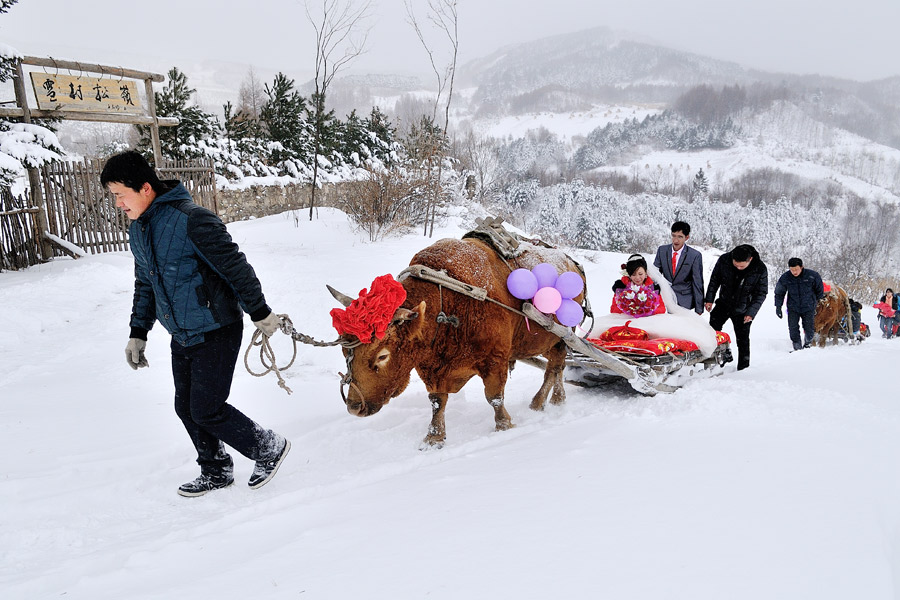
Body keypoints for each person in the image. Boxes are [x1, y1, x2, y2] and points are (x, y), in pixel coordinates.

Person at [101, 150, 290, 498]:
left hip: (217, 328)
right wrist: (137, 333)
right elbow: (146, 283)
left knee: (207, 408)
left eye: (119, 194)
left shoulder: (193, 220)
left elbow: (236, 269)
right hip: (183, 332)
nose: (117, 204)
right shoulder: (140, 230)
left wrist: (259, 311)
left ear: (144, 188)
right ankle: (215, 469)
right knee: (185, 406)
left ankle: (268, 447)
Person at [704, 244, 768, 370]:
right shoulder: (724, 260)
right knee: (712, 334)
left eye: (742, 266)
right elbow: (714, 280)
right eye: (736, 265)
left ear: (750, 260)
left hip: (743, 309)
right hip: (723, 303)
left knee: (742, 340)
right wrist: (709, 300)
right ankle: (712, 362)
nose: (739, 268)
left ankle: (743, 369)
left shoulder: (759, 268)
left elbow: (761, 293)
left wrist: (751, 312)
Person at [773, 257, 825, 351]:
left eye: (796, 269)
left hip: (808, 306)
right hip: (793, 307)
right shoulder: (786, 277)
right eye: (792, 270)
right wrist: (778, 307)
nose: (794, 272)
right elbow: (779, 292)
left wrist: (815, 302)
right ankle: (797, 347)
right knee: (793, 328)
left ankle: (808, 345)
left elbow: (819, 291)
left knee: (809, 327)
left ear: (802, 267)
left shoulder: (812, 276)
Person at [653, 221, 704, 314]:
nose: (675, 240)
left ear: (687, 237)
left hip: (685, 300)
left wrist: (699, 308)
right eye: (673, 236)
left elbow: (697, 282)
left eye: (680, 237)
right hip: (665, 298)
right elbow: (655, 275)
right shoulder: (662, 250)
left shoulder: (694, 255)